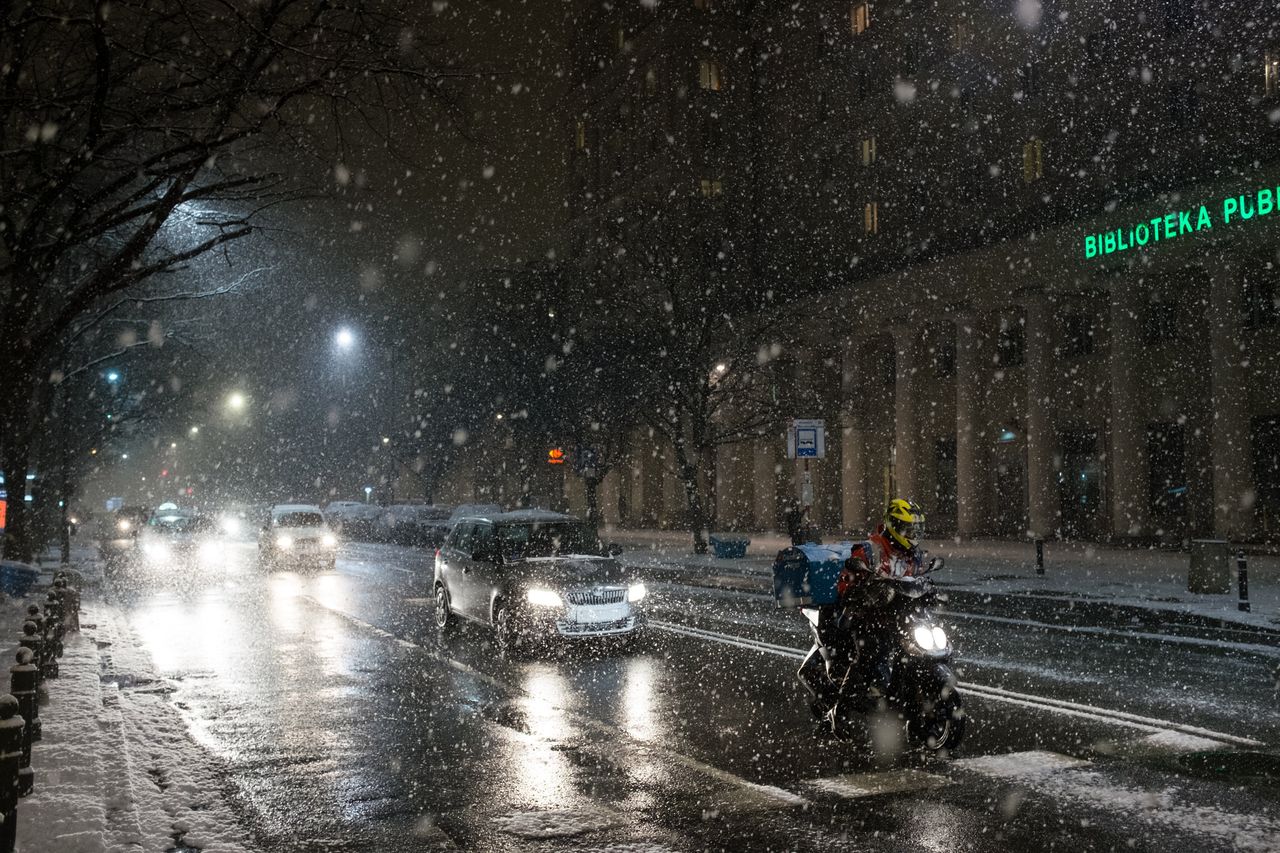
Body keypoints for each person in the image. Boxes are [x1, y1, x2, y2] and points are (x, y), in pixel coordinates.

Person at [797, 498, 926, 725]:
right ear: (894, 526)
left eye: (915, 529)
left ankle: (904, 696)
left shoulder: (911, 554)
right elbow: (847, 580)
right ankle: (840, 712)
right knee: (869, 652)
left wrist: (929, 589)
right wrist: (863, 589)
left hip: (896, 616)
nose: (912, 534)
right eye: (907, 528)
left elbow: (916, 579)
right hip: (864, 615)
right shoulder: (871, 550)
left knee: (922, 647)